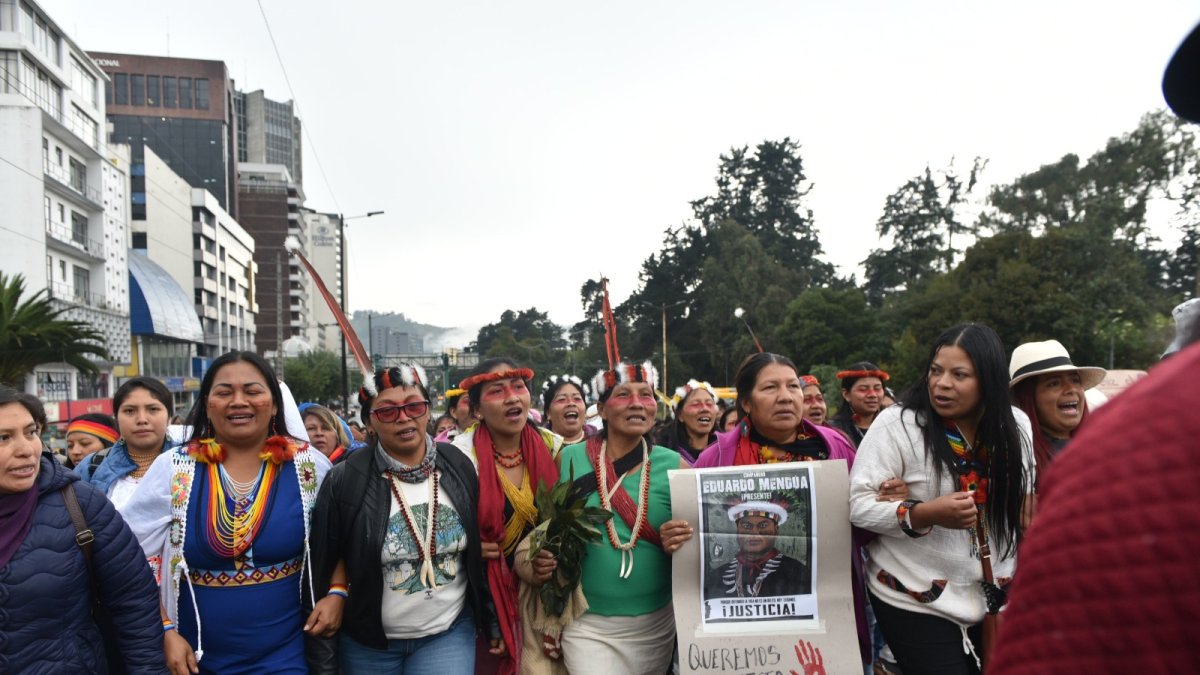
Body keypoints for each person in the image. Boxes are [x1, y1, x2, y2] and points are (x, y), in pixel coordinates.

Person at [122, 351, 333, 675]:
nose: (238, 401)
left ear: (274, 403)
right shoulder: (175, 468)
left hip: (286, 655)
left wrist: (337, 592)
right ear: (207, 404)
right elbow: (126, 556)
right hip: (193, 657)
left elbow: (341, 536)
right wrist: (164, 630)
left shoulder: (309, 466)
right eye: (224, 392)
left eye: (252, 391)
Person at [849, 324, 1033, 674]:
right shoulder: (898, 424)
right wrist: (923, 513)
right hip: (913, 594)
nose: (941, 383)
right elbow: (858, 506)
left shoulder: (1017, 426)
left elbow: (1027, 499)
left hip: (995, 594)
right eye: (936, 370)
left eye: (959, 374)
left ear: (988, 380)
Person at [681, 352, 880, 666]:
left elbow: (866, 529)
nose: (786, 397)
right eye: (771, 388)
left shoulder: (835, 449)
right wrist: (677, 535)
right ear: (746, 403)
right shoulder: (715, 458)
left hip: (832, 620)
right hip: (744, 645)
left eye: (792, 386)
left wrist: (883, 502)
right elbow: (693, 537)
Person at [310, 363, 501, 674]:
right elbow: (328, 555)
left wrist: (490, 617)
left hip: (446, 633)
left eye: (414, 406)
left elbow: (477, 551)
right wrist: (337, 592)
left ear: (427, 411)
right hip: (368, 643)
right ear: (369, 423)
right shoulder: (345, 479)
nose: (404, 418)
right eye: (387, 411)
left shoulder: (459, 464)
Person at [0, 385, 166, 673]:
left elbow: (134, 601)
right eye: (3, 438)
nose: (27, 450)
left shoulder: (79, 503)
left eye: (31, 432)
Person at [556, 361, 681, 673]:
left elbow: (701, 545)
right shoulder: (568, 459)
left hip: (657, 625)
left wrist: (681, 539)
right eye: (623, 395)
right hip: (587, 625)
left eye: (646, 395)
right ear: (601, 408)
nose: (637, 403)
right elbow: (546, 532)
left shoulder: (676, 466)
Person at [453, 358, 562, 674]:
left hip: (544, 590)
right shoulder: (459, 458)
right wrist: (469, 545)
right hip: (483, 597)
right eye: (497, 391)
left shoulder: (555, 447)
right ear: (475, 410)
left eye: (518, 388)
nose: (513, 397)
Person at [1007, 340, 1105, 490]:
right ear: (1027, 398)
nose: (1071, 389)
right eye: (1054, 383)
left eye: (1075, 380)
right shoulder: (1019, 461)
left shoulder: (1103, 446)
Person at [77, 376, 175, 511]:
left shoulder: (191, 464)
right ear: (116, 418)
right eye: (129, 411)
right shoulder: (91, 467)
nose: (141, 420)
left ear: (169, 417)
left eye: (153, 409)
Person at [703, 496, 812, 600]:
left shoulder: (798, 572)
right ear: (737, 530)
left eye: (763, 525)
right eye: (746, 526)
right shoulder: (716, 577)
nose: (754, 533)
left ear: (776, 530)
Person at [657, 379, 720, 466]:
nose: (705, 409)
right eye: (696, 404)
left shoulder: (725, 452)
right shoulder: (663, 456)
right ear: (680, 415)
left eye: (709, 404)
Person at [828, 362, 890, 447]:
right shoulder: (833, 430)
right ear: (846, 394)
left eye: (877, 388)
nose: (872, 394)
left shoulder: (892, 424)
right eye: (863, 389)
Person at [540, 374, 592, 445]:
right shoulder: (535, 445)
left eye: (577, 398)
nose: (571, 403)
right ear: (548, 413)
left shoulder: (601, 443)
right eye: (562, 399)